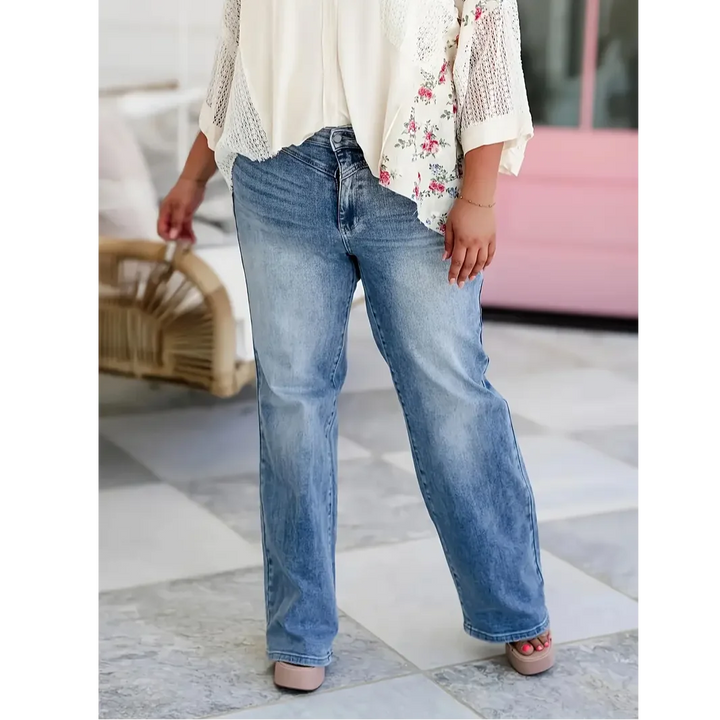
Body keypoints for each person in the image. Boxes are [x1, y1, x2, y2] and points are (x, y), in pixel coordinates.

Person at [158, 0, 553, 691]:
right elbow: (236, 42)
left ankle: (513, 601)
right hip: (277, 172)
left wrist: (481, 195)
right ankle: (300, 629)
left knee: (450, 393)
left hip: (416, 173)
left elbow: (488, 34)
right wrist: (194, 175)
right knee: (292, 399)